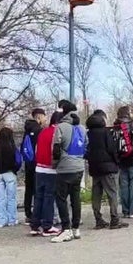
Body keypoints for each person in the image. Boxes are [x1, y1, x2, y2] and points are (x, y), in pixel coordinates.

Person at [51, 101, 87, 243]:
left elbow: (56, 150)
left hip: (65, 167)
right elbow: (86, 146)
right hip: (79, 167)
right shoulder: (82, 128)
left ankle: (66, 229)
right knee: (75, 198)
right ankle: (76, 228)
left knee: (61, 198)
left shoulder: (60, 127)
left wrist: (55, 165)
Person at [85, 110, 128, 230]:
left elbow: (86, 150)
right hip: (108, 167)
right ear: (102, 119)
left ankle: (98, 219)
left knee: (96, 195)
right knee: (112, 193)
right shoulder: (106, 132)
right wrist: (116, 162)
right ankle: (114, 219)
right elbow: (112, 149)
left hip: (94, 167)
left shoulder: (88, 134)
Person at [29, 111, 63, 237]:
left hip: (39, 168)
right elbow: (56, 150)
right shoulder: (57, 132)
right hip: (51, 169)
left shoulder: (43, 132)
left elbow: (37, 149)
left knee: (39, 197)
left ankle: (35, 224)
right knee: (49, 197)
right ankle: (47, 225)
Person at [0, 127, 23, 227]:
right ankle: (12, 219)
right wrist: (14, 169)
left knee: (0, 198)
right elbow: (18, 161)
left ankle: (0, 221)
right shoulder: (13, 148)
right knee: (11, 198)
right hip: (10, 173)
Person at [22, 108, 47, 223]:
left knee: (29, 189)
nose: (45, 119)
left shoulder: (26, 130)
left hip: (28, 163)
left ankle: (28, 214)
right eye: (44, 117)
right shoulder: (39, 130)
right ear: (39, 117)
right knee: (38, 190)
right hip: (37, 164)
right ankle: (38, 214)